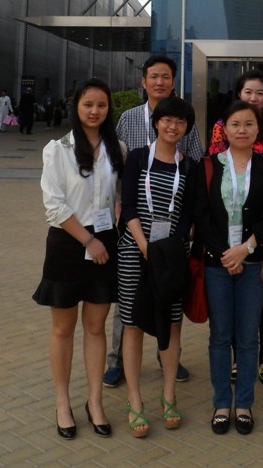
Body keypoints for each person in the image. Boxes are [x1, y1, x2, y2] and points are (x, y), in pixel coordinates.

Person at [32, 78, 124, 440]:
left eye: (101, 105)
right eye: (88, 104)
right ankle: (62, 403)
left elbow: (120, 195)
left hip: (105, 242)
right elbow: (54, 205)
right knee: (63, 328)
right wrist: (89, 240)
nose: (94, 111)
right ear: (76, 107)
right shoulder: (58, 150)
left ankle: (95, 401)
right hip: (68, 244)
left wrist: (117, 213)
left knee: (96, 327)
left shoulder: (118, 148)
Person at [104, 55, 202, 388]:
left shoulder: (185, 121)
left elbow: (194, 163)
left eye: (166, 77)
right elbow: (116, 165)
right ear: (143, 81)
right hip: (134, 223)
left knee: (169, 300)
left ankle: (167, 358)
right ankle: (116, 361)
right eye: (154, 76)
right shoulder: (128, 119)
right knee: (127, 302)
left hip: (170, 230)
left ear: (173, 82)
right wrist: (119, 206)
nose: (159, 82)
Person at [194, 101, 263, 436]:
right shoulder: (208, 166)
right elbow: (201, 214)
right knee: (220, 336)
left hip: (253, 262)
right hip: (217, 263)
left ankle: (243, 403)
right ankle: (221, 403)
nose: (242, 130)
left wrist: (245, 249)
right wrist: (224, 253)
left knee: (247, 337)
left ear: (258, 129)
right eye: (235, 124)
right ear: (224, 129)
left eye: (248, 124)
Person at [118, 96, 197, 438]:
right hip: (134, 251)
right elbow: (128, 206)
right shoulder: (137, 158)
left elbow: (188, 215)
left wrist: (168, 250)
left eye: (180, 122)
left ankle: (168, 395)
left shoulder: (189, 167)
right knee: (133, 322)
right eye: (167, 120)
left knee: (171, 322)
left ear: (186, 128)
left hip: (171, 256)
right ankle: (135, 400)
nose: (172, 126)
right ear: (156, 123)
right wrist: (144, 245)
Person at [208, 69, 263, 385]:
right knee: (228, 299)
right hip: (227, 225)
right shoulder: (222, 126)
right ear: (238, 94)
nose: (253, 97)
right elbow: (216, 171)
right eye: (247, 92)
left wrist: (254, 235)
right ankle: (234, 359)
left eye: (260, 92)